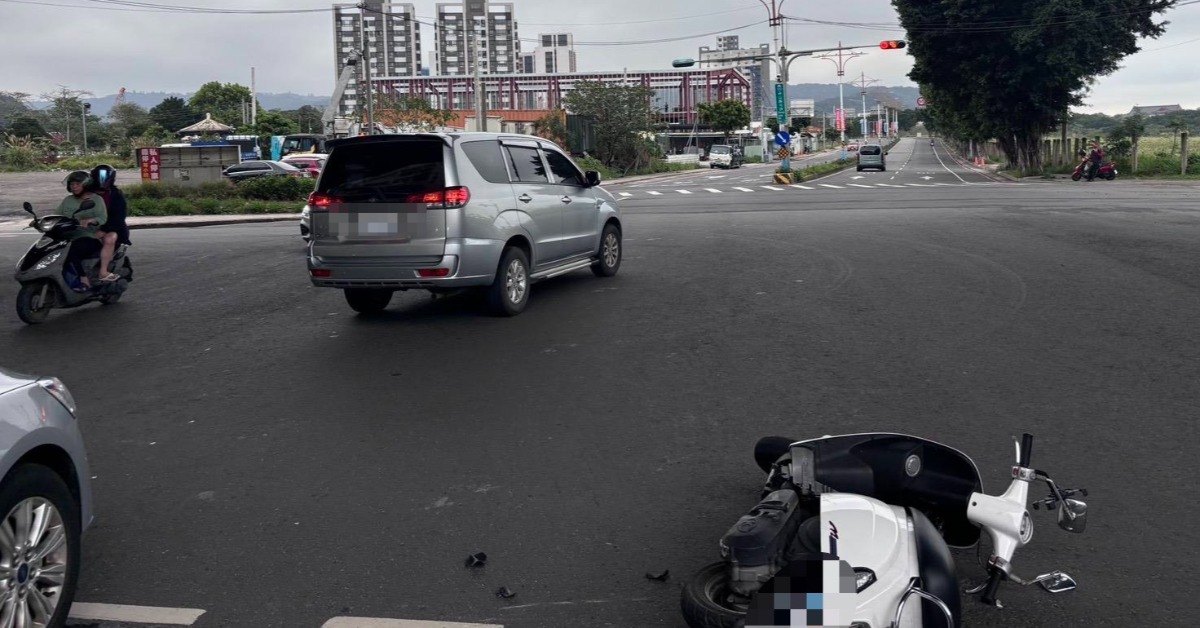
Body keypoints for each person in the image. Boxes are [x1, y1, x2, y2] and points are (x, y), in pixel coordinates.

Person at [56, 170, 108, 289]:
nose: (74, 187)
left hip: (88, 236)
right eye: (72, 185)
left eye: (77, 184)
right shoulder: (68, 200)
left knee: (69, 251)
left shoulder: (96, 199)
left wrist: (90, 220)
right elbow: (57, 215)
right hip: (67, 236)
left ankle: (83, 279)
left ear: (86, 185)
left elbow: (102, 218)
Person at [88, 164, 129, 282]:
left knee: (109, 239)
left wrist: (103, 230)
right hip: (87, 227)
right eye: (100, 177)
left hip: (111, 228)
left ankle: (103, 271)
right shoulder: (87, 193)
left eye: (105, 178)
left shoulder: (116, 195)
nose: (103, 181)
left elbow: (119, 217)